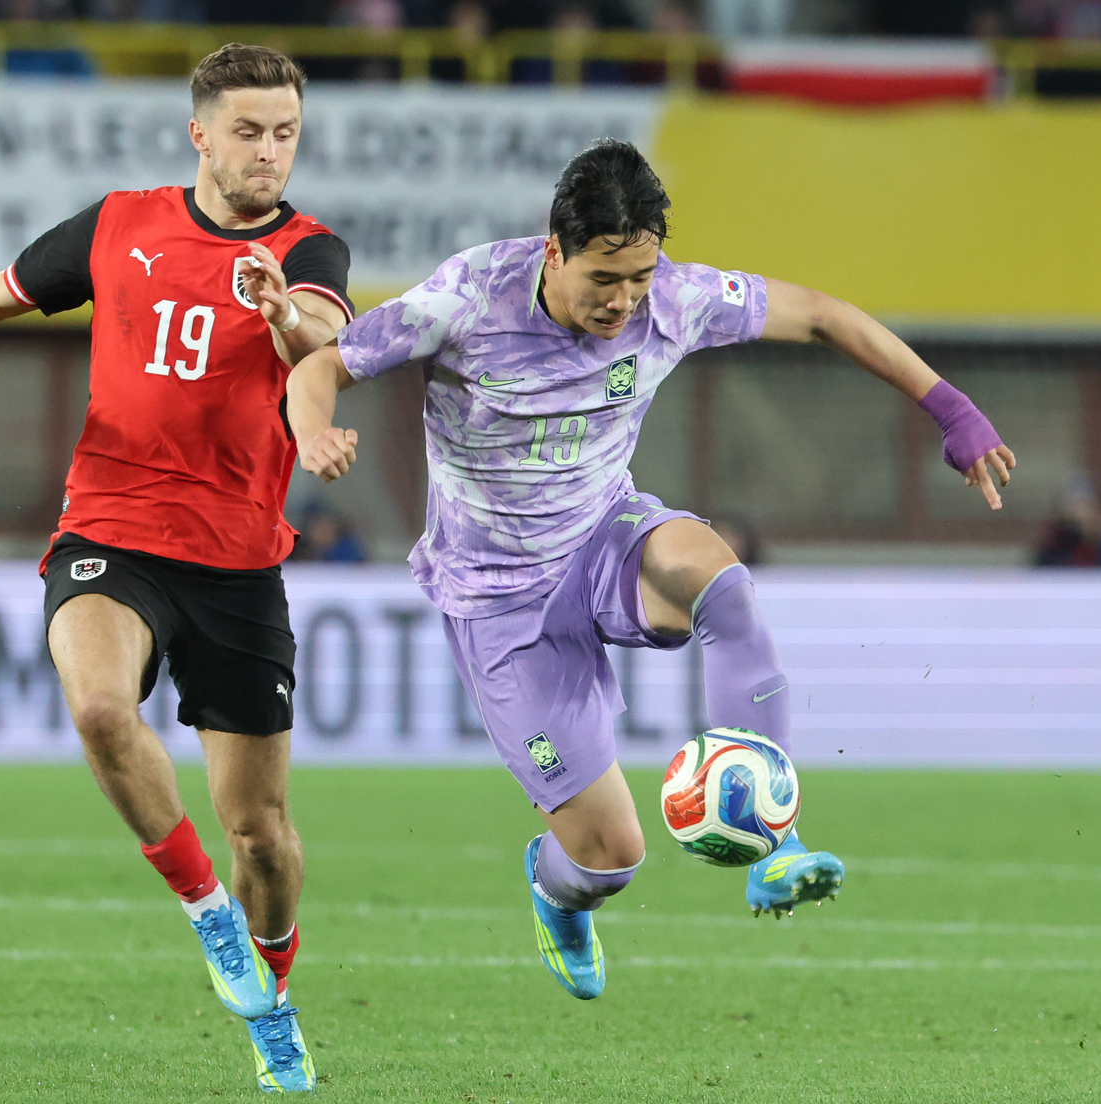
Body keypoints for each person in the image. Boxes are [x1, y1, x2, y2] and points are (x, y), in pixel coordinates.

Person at [286, 139, 1015, 1001]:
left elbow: (822, 314)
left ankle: (773, 844)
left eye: (638, 277)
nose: (623, 301)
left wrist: (950, 407)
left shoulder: (672, 299)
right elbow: (322, 364)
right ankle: (555, 891)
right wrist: (314, 432)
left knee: (720, 582)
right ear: (553, 251)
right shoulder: (468, 298)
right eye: (603, 278)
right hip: (499, 596)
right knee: (608, 858)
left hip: (605, 536)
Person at [0, 44, 353, 1093]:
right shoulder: (120, 224)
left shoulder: (308, 249)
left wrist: (279, 311)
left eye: (285, 133)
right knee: (102, 709)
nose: (268, 152)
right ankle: (206, 913)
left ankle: (274, 990)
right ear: (199, 134)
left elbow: (324, 338)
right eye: (248, 131)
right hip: (110, 529)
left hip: (235, 561)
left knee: (262, 836)